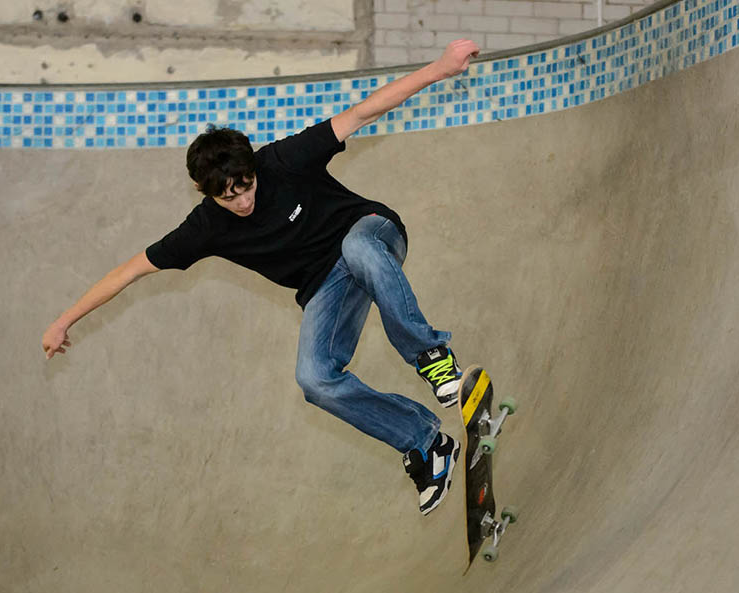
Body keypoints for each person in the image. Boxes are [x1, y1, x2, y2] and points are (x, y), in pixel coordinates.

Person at [43, 39, 481, 515]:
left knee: (357, 248)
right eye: (229, 197)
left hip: (372, 235)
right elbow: (130, 270)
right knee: (314, 379)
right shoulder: (203, 229)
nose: (244, 201)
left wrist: (440, 67)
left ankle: (432, 357)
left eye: (246, 187)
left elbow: (363, 111)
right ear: (205, 193)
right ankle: (424, 441)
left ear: (254, 169)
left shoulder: (283, 161)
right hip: (325, 284)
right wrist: (65, 319)